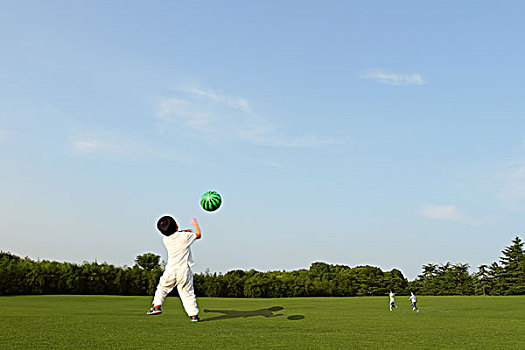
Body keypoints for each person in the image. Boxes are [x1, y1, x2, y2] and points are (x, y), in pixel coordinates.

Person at [146, 215, 201, 322]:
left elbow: (173, 234)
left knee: (162, 288)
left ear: (162, 233)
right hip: (184, 270)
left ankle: (156, 306)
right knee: (187, 293)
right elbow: (198, 235)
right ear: (176, 225)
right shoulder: (185, 236)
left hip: (171, 270)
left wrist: (183, 231)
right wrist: (195, 224)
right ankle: (194, 315)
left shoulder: (165, 240)